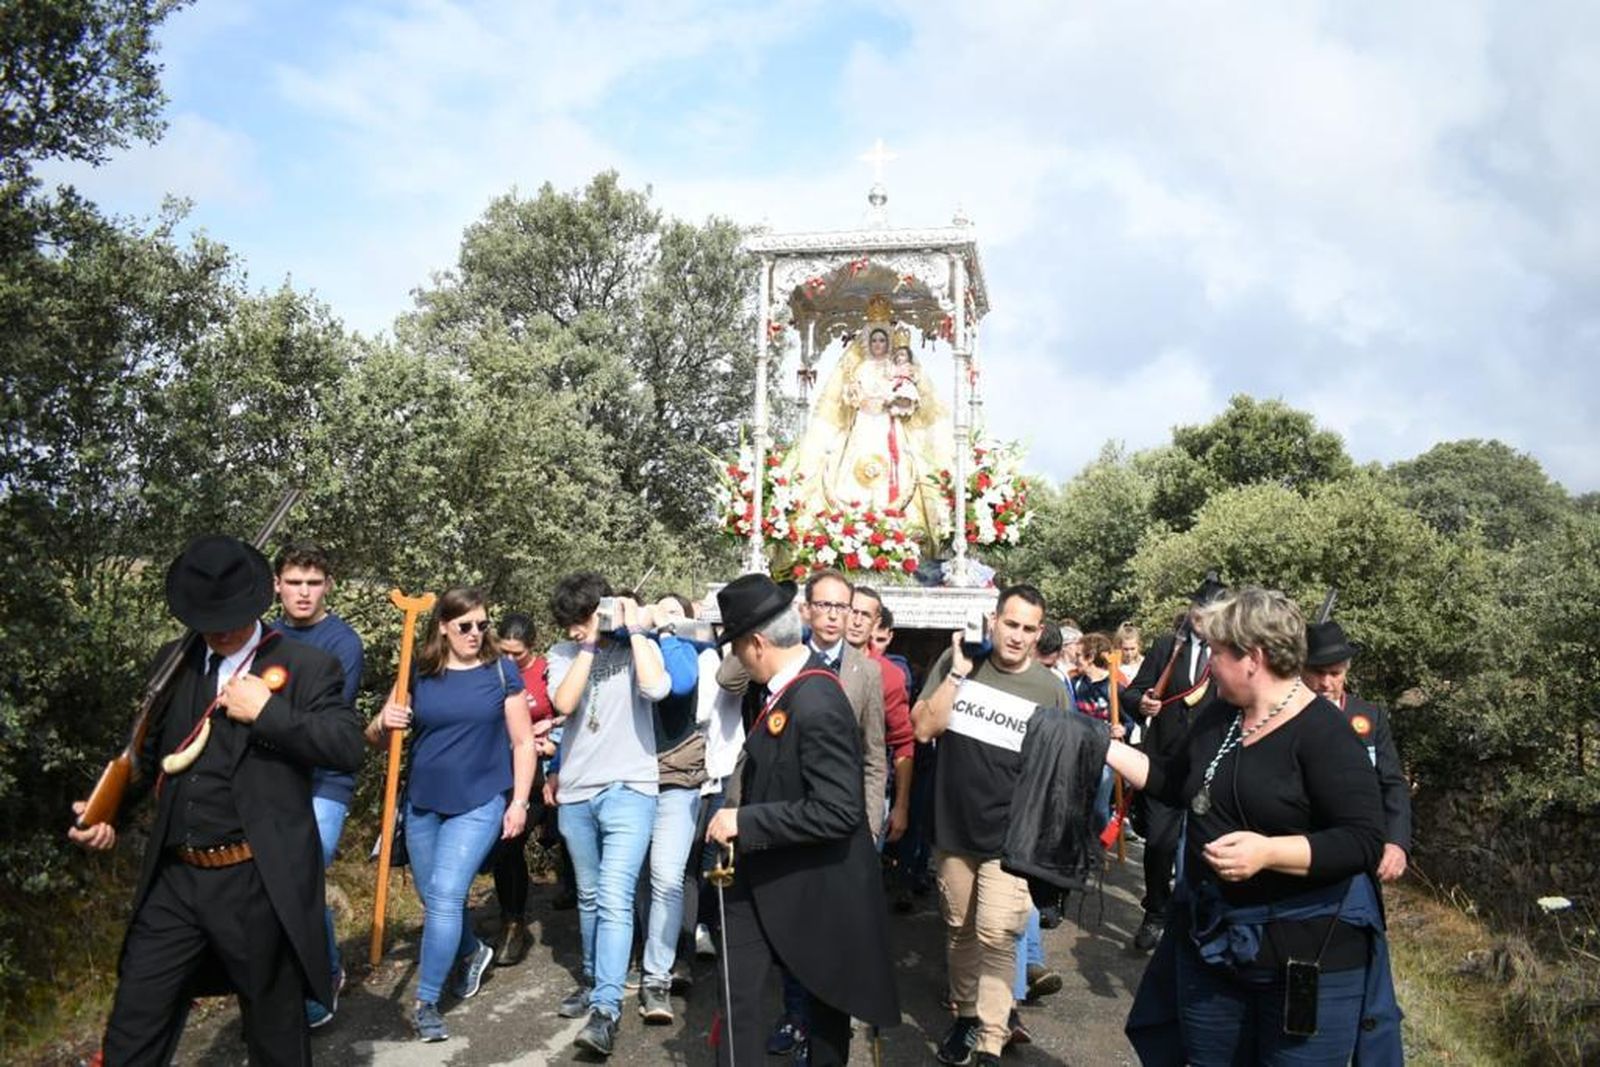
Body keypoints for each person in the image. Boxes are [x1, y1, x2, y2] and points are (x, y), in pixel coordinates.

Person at [69, 535, 364, 1066]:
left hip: (257, 881)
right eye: (209, 618)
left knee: (276, 1037)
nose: (222, 629)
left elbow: (345, 747)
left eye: (231, 617)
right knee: (134, 1025)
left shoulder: (307, 665)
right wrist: (110, 813)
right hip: (174, 879)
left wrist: (268, 713)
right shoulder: (174, 662)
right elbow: (148, 757)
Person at [1109, 587, 1399, 1064]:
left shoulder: (1325, 733)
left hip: (1306, 960)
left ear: (1253, 658)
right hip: (1213, 949)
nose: (1209, 665)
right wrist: (1099, 747)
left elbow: (1362, 841)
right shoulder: (1221, 716)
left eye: (1217, 654)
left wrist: (1268, 853)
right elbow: (1177, 782)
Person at [706, 574, 900, 1067]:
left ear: (757, 643)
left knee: (826, 1005)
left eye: (737, 647)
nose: (738, 659)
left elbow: (838, 810)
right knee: (740, 997)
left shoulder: (816, 700)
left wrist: (745, 821)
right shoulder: (788, 689)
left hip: (815, 881)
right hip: (767, 870)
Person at [367, 587, 539, 1042]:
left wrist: (519, 802)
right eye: (465, 625)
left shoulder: (500, 671)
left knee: (445, 895)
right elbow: (377, 738)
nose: (475, 633)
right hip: (422, 803)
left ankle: (426, 1003)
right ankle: (472, 950)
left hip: (480, 801)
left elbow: (523, 742)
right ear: (443, 626)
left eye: (482, 624)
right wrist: (385, 723)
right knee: (434, 897)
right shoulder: (417, 671)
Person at [911, 584, 1071, 1067]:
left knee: (998, 934)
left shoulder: (1050, 689)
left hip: (1012, 837)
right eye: (1011, 624)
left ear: (1039, 633)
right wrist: (959, 673)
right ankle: (965, 1017)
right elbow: (923, 728)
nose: (1018, 636)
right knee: (960, 930)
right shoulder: (958, 661)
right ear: (994, 620)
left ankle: (990, 1039)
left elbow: (1059, 770)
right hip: (954, 827)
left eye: (1028, 628)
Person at [544, 573, 669, 1057]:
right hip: (577, 791)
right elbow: (564, 702)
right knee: (591, 896)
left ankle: (606, 1009)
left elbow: (657, 688)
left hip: (630, 788)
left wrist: (634, 628)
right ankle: (597, 979)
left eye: (583, 619)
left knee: (615, 896)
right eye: (570, 623)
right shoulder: (563, 653)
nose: (575, 629)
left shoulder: (640, 646)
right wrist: (588, 645)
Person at [271, 540, 366, 1029]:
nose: (304, 592)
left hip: (325, 778)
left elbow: (323, 719)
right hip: (272, 776)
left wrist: (266, 712)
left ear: (328, 585)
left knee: (304, 871)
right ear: (277, 586)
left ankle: (324, 976)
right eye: (294, 582)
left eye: (313, 583)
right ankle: (277, 980)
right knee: (267, 880)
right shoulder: (263, 638)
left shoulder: (343, 643)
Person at [788, 298, 953, 542]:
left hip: (888, 423)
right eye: (874, 340)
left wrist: (896, 398)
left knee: (897, 465)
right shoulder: (861, 367)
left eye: (882, 340)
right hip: (863, 422)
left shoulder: (896, 366)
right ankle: (855, 513)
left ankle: (893, 519)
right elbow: (849, 394)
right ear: (868, 341)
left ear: (888, 342)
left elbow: (907, 393)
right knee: (853, 461)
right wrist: (856, 396)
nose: (878, 344)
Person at [1122, 575, 1227, 952]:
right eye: (1199, 609)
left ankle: (1193, 920)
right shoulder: (1167, 646)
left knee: (1201, 850)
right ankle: (1155, 911)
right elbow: (1133, 693)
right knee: (1159, 845)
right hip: (1164, 762)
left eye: (1211, 612)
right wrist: (1141, 703)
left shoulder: (1230, 651)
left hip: (1210, 766)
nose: (1202, 617)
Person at [633, 594, 707, 1025]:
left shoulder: (688, 650)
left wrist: (664, 630)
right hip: (633, 778)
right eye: (660, 609)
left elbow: (678, 684)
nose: (667, 616)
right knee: (642, 878)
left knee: (666, 878)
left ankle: (658, 975)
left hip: (678, 778)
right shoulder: (633, 648)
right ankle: (648, 956)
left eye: (676, 612)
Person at [1302, 620, 1412, 883]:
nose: (1326, 683)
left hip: (1361, 854)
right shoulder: (1283, 717)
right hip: (1303, 852)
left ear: (1346, 672)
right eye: (1318, 672)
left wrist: (1396, 842)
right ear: (1301, 670)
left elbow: (1392, 783)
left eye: (1335, 673)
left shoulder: (1370, 717)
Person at [488, 612, 552, 967]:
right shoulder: (490, 670)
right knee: (507, 844)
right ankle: (512, 922)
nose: (511, 660)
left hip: (543, 773)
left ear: (533, 647)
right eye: (505, 652)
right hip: (502, 771)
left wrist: (552, 728)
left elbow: (570, 708)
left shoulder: (546, 671)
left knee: (560, 839)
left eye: (518, 654)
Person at [845, 584, 915, 848]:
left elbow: (903, 743)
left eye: (865, 615)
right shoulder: (814, 660)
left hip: (866, 794)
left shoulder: (890, 675)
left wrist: (901, 806)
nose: (856, 621)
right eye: (852, 611)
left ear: (876, 623)